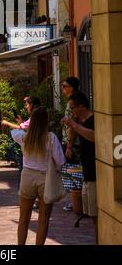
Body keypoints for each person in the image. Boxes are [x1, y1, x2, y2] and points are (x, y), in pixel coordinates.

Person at [10, 107, 66, 245]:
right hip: (45, 178)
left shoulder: (24, 137)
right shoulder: (50, 138)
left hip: (27, 176)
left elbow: (13, 132)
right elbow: (60, 161)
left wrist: (22, 127)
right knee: (44, 219)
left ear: (33, 122)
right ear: (46, 121)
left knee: (23, 219)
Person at [61, 92, 97, 243]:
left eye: (73, 108)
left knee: (96, 215)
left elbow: (95, 136)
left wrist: (74, 124)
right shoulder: (80, 121)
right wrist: (69, 144)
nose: (72, 112)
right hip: (87, 172)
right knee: (91, 214)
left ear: (82, 106)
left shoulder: (93, 120)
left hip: (95, 174)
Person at [61, 76, 80, 211]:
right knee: (73, 170)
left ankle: (75, 202)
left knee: (72, 171)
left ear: (71, 88)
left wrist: (69, 145)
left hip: (73, 142)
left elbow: (72, 125)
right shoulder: (72, 101)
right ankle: (76, 200)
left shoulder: (72, 102)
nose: (62, 89)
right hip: (71, 141)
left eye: (64, 86)